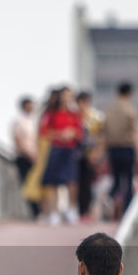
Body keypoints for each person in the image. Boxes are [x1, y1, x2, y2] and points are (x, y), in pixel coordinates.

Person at [38, 86, 83, 225]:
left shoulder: (74, 113)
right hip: (56, 148)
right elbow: (44, 131)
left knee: (72, 181)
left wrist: (72, 134)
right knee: (53, 182)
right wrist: (60, 134)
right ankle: (54, 212)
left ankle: (72, 210)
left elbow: (79, 133)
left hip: (70, 150)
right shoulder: (51, 113)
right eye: (65, 95)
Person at [103, 82, 138, 218]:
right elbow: (134, 133)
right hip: (127, 148)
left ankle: (109, 199)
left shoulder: (109, 110)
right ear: (129, 93)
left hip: (112, 149)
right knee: (129, 180)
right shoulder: (130, 110)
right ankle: (128, 211)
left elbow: (104, 133)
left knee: (116, 180)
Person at [75, 91, 103, 221]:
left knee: (89, 184)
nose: (82, 105)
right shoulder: (74, 116)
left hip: (91, 155)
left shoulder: (96, 117)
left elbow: (102, 138)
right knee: (78, 185)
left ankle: (88, 211)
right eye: (80, 102)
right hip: (76, 155)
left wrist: (98, 154)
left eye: (85, 102)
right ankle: (81, 212)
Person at [11, 96, 40, 218]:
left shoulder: (35, 120)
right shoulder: (19, 121)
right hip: (24, 157)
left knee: (37, 184)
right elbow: (18, 139)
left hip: (36, 157)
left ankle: (39, 211)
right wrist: (29, 154)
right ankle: (35, 212)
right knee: (27, 185)